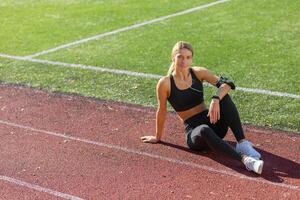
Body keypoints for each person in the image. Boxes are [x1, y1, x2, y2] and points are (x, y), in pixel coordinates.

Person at [141, 41, 264, 174]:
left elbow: (227, 84)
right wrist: (157, 136)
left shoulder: (199, 72)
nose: (184, 61)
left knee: (224, 98)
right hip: (196, 134)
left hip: (214, 124)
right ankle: (246, 161)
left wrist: (215, 99)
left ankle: (242, 143)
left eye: (188, 57)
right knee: (204, 129)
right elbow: (162, 111)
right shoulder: (165, 83)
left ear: (192, 59)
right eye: (180, 57)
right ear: (173, 58)